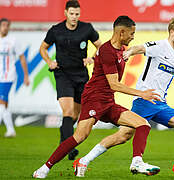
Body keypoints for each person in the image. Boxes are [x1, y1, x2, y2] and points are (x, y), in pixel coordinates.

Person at [32, 15, 161, 179]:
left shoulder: (120, 50)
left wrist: (135, 51)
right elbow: (114, 84)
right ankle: (44, 168)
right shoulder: (107, 51)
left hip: (108, 101)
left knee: (142, 124)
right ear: (121, 32)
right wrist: (142, 93)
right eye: (131, 33)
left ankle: (137, 162)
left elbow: (126, 55)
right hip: (94, 99)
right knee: (80, 136)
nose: (133, 36)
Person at [73, 17, 174, 177]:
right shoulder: (160, 46)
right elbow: (139, 48)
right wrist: (128, 52)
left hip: (161, 104)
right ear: (172, 32)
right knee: (123, 136)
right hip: (145, 101)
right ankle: (87, 161)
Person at [39, 0, 102, 160]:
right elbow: (43, 48)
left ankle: (63, 143)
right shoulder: (56, 30)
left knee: (75, 116)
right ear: (66, 13)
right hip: (63, 74)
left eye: (77, 14)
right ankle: (69, 148)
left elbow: (100, 46)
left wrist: (91, 58)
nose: (74, 17)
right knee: (67, 112)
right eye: (72, 14)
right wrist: (49, 62)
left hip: (81, 76)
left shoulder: (86, 28)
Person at [0, 18, 29, 138]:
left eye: (7, 25)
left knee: (1, 102)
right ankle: (11, 130)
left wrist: (26, 76)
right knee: (4, 104)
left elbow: (22, 58)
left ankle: (10, 130)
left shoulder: (13, 41)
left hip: (8, 76)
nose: (5, 27)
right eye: (3, 25)